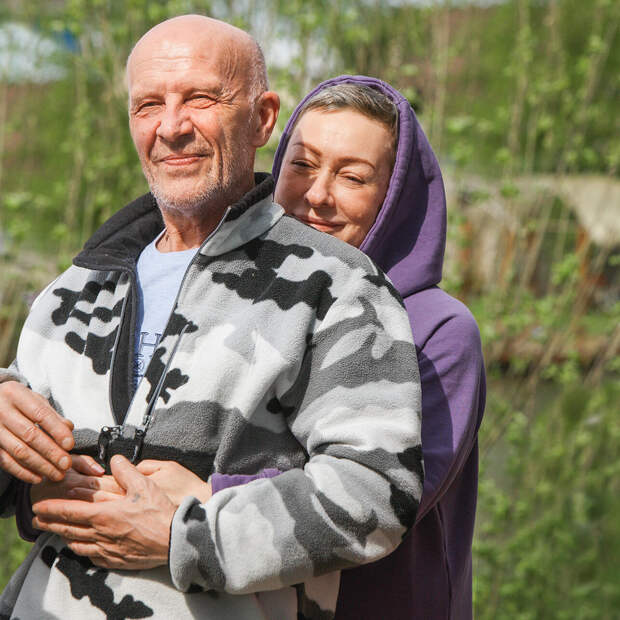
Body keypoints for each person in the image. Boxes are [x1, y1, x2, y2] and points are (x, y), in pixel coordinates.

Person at [0, 17, 423, 620]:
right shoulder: (75, 287)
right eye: (149, 105)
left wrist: (188, 538)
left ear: (263, 119)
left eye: (200, 98)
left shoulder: (339, 286)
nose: (172, 126)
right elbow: (17, 482)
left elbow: (377, 492)